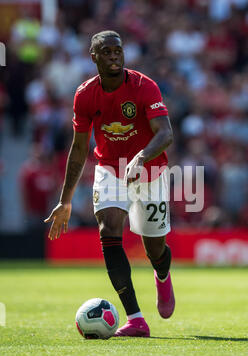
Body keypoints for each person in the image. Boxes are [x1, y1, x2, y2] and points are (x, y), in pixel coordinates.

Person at [44, 31, 175, 337]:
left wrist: (141, 157)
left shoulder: (145, 86)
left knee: (155, 248)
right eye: (107, 51)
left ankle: (162, 272)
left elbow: (165, 133)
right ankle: (136, 318)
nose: (114, 56)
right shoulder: (85, 94)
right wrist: (65, 200)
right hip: (110, 170)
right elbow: (78, 149)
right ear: (94, 57)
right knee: (109, 228)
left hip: (150, 170)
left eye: (118, 50)